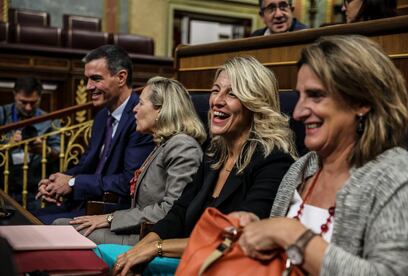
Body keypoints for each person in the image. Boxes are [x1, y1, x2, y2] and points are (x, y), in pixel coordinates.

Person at [233, 35, 408, 275]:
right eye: (300, 96)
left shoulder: (396, 176)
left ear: (362, 101)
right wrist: (257, 231)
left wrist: (290, 233)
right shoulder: (301, 168)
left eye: (316, 95)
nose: (297, 113)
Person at [109, 56, 296, 275]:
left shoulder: (273, 160)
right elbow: (177, 214)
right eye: (216, 90)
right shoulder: (214, 154)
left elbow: (237, 237)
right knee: (108, 254)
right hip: (187, 256)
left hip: (222, 264)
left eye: (232, 93)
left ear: (254, 102)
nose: (217, 100)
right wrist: (141, 248)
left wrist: (156, 248)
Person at [54, 76, 206, 245]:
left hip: (151, 239)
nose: (134, 109)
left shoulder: (182, 146)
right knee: (62, 226)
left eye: (141, 103)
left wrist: (110, 218)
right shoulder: (164, 144)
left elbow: (171, 211)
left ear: (161, 110)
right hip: (138, 228)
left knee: (62, 229)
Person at [35, 45, 154, 224]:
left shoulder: (141, 117)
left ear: (121, 77)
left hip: (110, 212)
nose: (88, 87)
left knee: (33, 225)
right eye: (87, 80)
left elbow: (129, 181)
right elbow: (86, 165)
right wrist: (58, 180)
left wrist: (73, 183)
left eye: (96, 79)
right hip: (83, 202)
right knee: (20, 216)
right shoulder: (100, 117)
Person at [0, 76, 60, 211]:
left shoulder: (50, 121)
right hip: (4, 188)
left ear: (40, 97)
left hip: (35, 191)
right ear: (14, 95)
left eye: (33, 103)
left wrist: (45, 150)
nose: (28, 108)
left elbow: (59, 152)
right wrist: (7, 144)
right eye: (23, 102)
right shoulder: (2, 114)